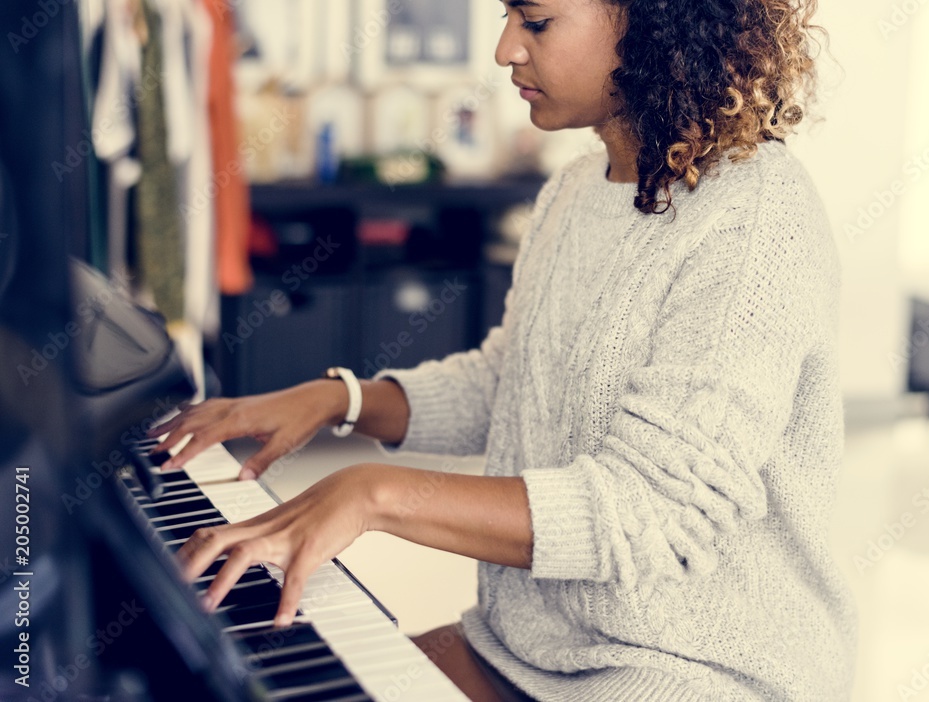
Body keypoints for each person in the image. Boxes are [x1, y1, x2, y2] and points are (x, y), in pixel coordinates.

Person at [151, 0, 857, 699]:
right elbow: (509, 384)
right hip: (523, 647)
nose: (505, 50)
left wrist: (375, 494)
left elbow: (653, 509)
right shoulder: (575, 190)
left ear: (653, 20)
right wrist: (341, 398)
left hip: (692, 670)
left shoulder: (757, 217)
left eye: (537, 22)